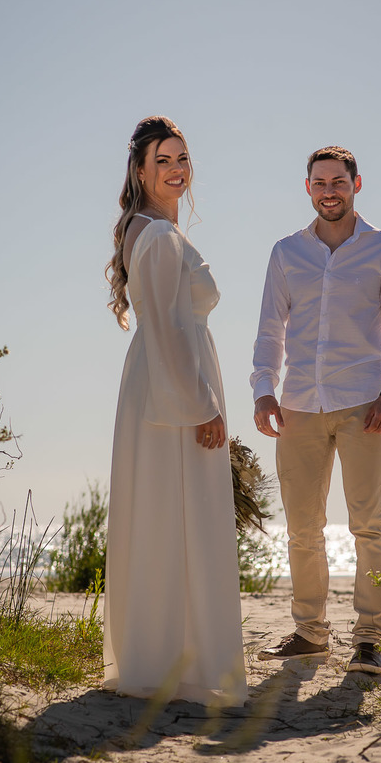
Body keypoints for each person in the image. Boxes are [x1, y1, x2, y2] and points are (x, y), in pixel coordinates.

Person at [252, 146, 381, 676]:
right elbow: (270, 330)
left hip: (365, 403)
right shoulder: (285, 253)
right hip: (298, 404)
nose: (330, 191)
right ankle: (310, 633)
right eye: (320, 182)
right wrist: (262, 388)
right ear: (308, 188)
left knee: (368, 524)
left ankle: (370, 640)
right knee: (302, 527)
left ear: (356, 184)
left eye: (339, 182)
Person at [102, 116, 247, 707]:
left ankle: (162, 656)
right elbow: (165, 330)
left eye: (182, 158)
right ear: (140, 170)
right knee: (177, 514)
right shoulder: (158, 237)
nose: (175, 169)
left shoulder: (153, 229)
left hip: (160, 383)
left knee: (165, 515)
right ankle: (171, 663)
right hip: (172, 390)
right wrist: (203, 406)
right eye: (163, 160)